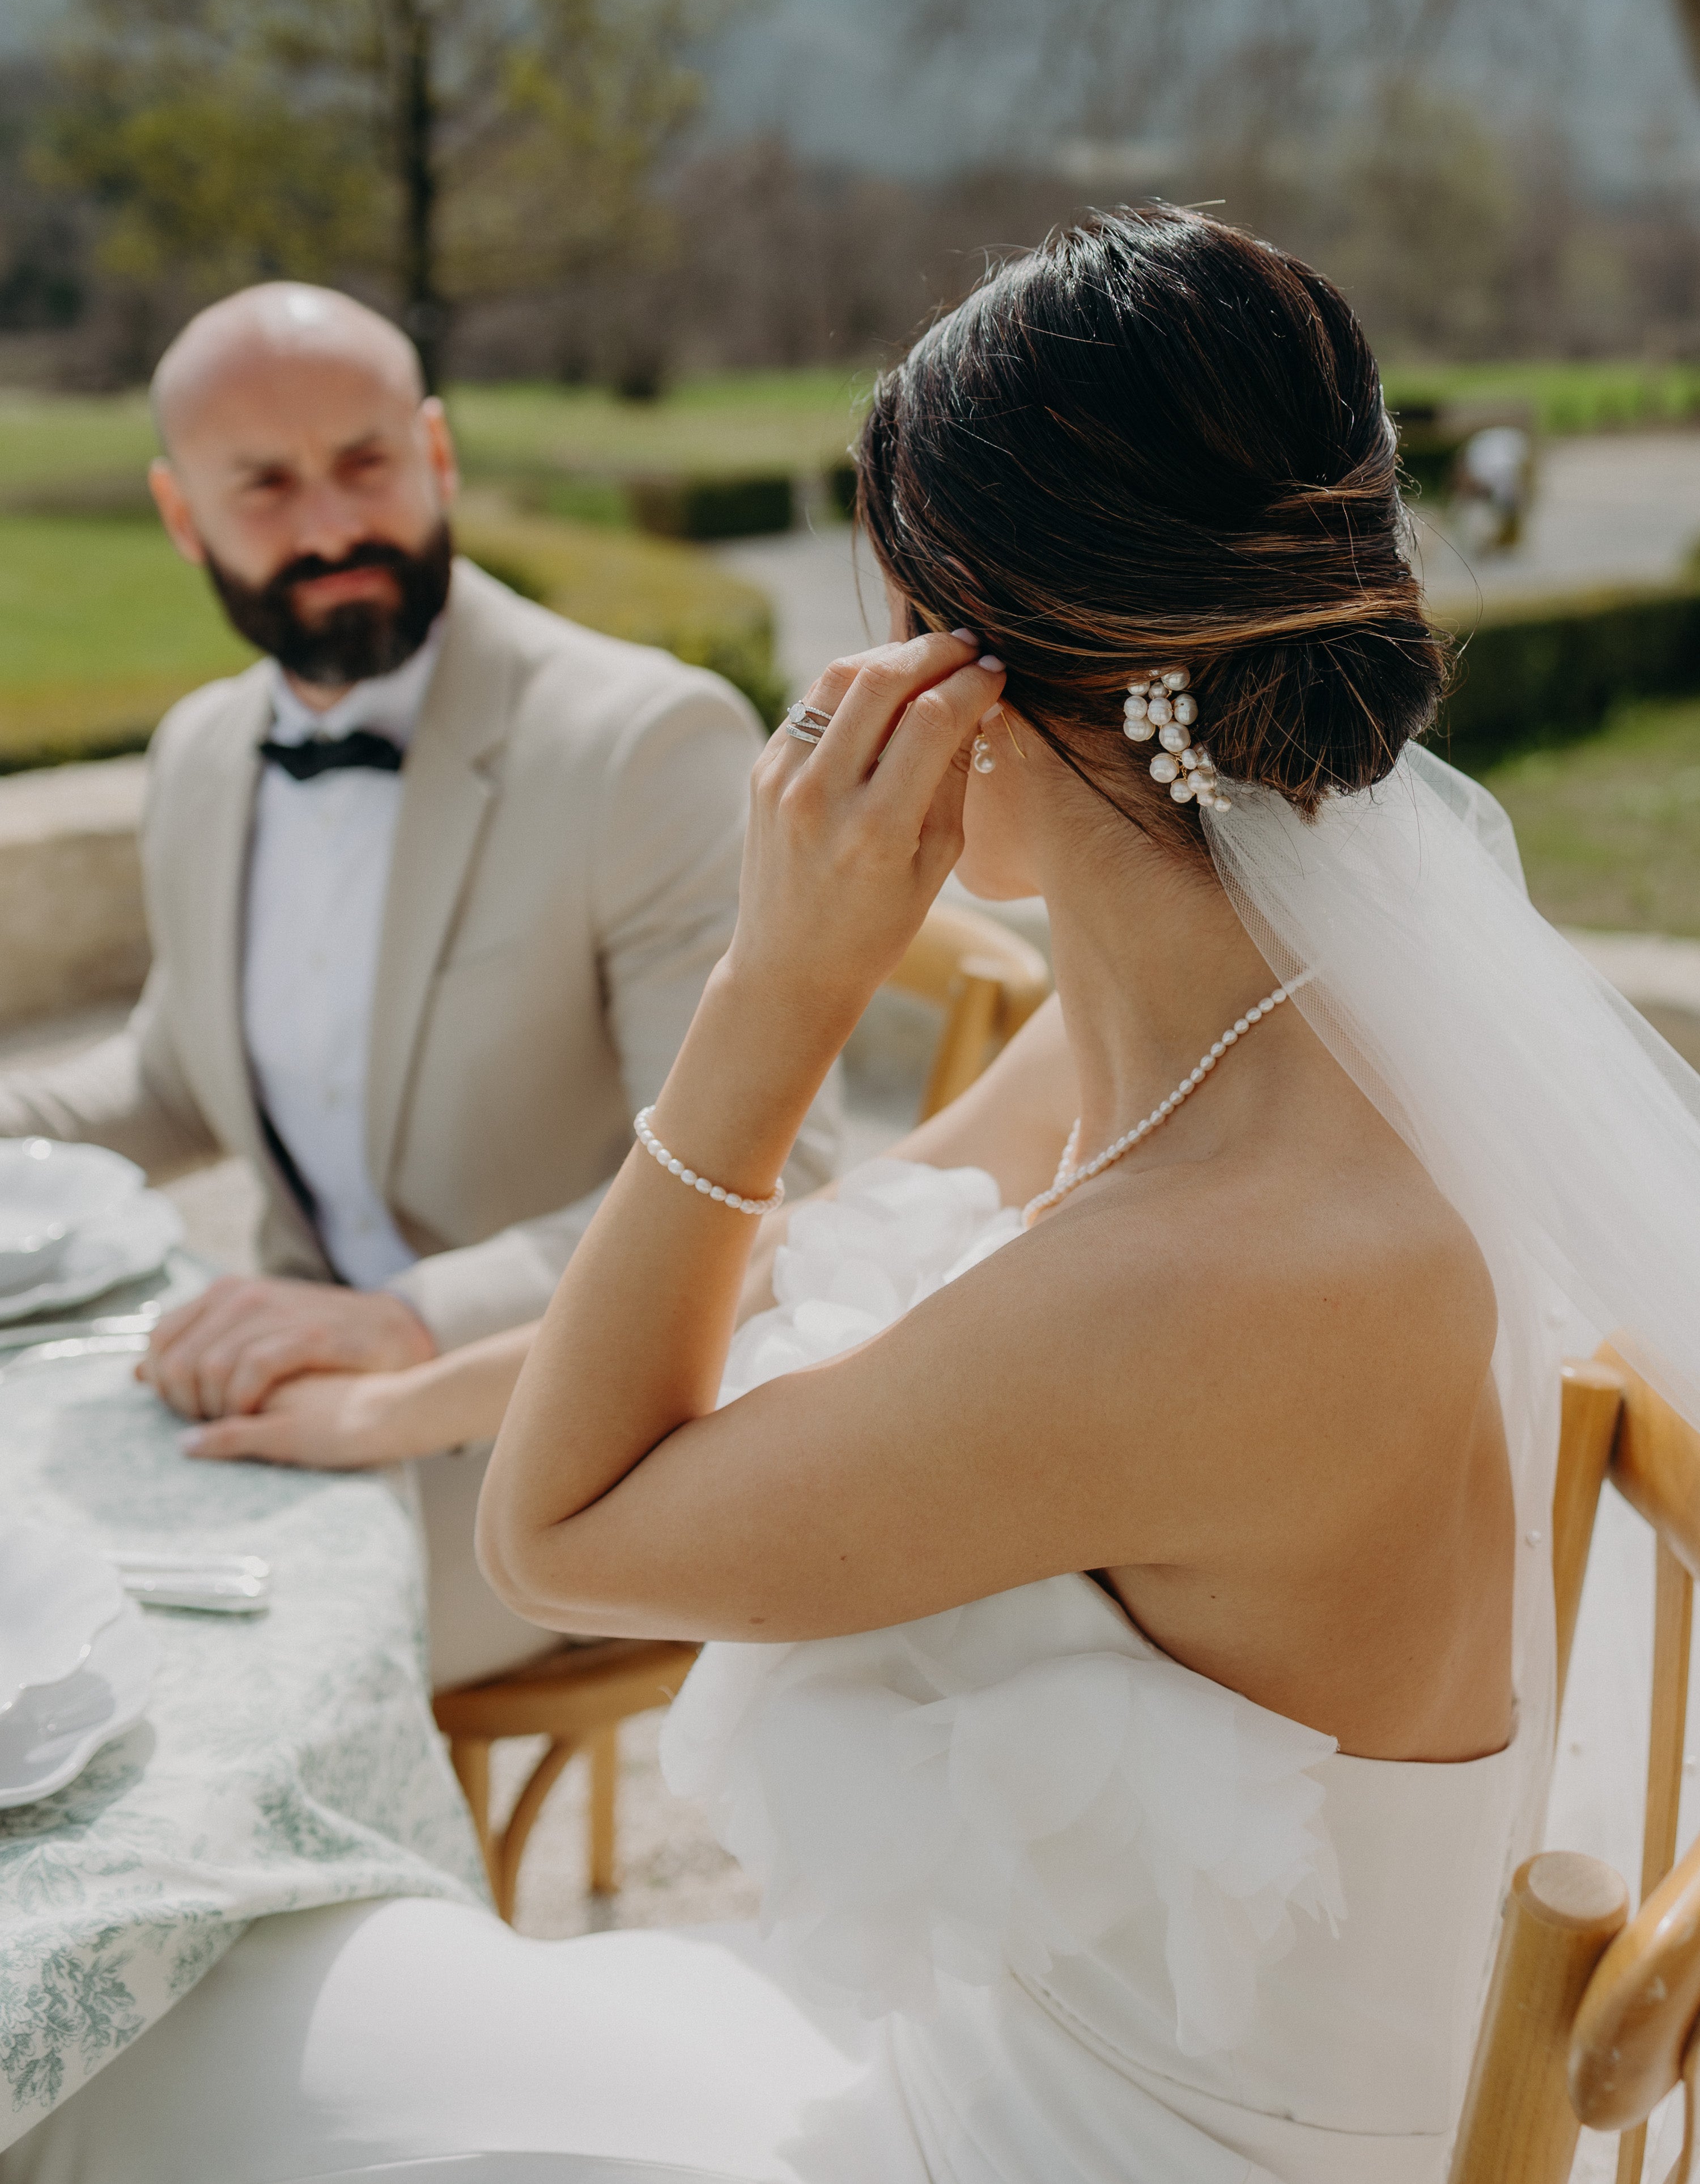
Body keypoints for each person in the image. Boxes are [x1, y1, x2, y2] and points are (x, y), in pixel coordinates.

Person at [14, 211, 1700, 2184]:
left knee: (160, 2047)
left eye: (884, 603)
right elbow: (799, 1253)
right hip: (1015, 2057)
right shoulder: (1254, 1031)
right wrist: (400, 1400)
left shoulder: (1228, 1269)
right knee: (233, 1999)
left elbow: (564, 1535)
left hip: (1089, 2155)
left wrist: (775, 994)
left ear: (985, 659)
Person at [0, 281, 834, 1689]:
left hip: (567, 1438)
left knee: (140, 1676)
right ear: (180, 511)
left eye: (367, 464)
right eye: (264, 484)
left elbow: (770, 1191)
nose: (330, 528)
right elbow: (169, 1077)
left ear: (439, 454)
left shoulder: (643, 743)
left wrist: (403, 1323)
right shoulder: (204, 754)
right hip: (279, 1382)